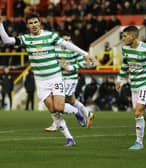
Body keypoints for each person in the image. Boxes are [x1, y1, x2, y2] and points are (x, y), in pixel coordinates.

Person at [0, 12, 94, 147]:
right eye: (30, 23)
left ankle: (76, 112)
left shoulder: (50, 35)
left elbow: (68, 45)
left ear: (40, 23)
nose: (33, 25)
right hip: (41, 81)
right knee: (53, 110)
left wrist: (85, 54)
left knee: (59, 107)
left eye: (35, 22)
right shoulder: (26, 39)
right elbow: (7, 40)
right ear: (27, 26)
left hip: (55, 77)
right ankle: (69, 138)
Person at [45, 33, 94, 132]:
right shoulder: (56, 50)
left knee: (59, 101)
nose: (67, 42)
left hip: (70, 79)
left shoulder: (73, 50)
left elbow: (84, 62)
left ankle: (56, 124)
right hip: (59, 78)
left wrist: (71, 67)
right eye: (65, 40)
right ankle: (88, 114)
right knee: (71, 100)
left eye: (69, 39)